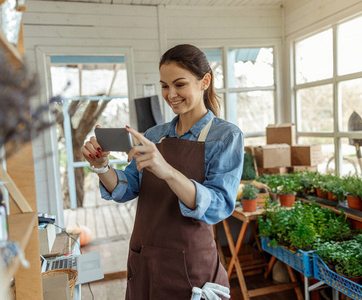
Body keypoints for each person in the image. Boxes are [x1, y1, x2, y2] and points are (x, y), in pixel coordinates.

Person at [81, 44, 244, 300]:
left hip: (191, 268)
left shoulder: (225, 136)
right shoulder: (154, 135)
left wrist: (166, 170)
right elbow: (126, 188)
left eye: (179, 84)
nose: (171, 94)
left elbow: (219, 206)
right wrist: (101, 165)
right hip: (145, 259)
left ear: (205, 82)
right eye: (165, 86)